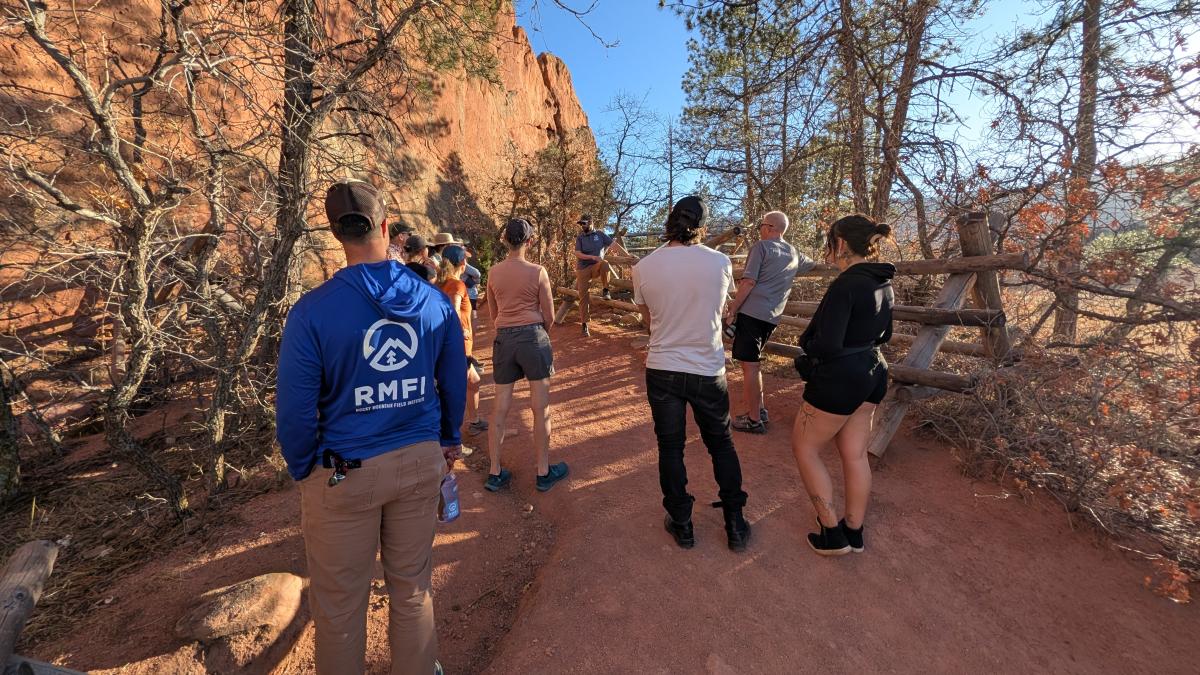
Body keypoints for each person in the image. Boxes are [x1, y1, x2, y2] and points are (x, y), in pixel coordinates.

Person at [276, 180, 466, 675]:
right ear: (386, 227)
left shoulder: (312, 312)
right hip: (420, 459)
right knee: (413, 589)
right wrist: (448, 442)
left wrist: (306, 469)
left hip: (344, 470)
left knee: (339, 611)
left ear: (336, 232)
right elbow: (452, 386)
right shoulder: (434, 303)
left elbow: (295, 412)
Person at [632, 196, 751, 552]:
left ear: (669, 222)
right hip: (707, 366)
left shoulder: (644, 266)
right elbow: (722, 310)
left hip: (664, 366)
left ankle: (682, 522)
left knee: (671, 446)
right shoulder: (720, 262)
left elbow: (649, 321)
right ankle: (734, 521)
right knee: (721, 444)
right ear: (702, 225)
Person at [790, 213, 894, 556]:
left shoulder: (846, 284)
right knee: (854, 455)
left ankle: (831, 532)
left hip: (841, 376)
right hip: (873, 371)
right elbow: (886, 334)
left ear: (840, 243)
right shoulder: (882, 281)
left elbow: (829, 343)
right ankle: (855, 531)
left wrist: (807, 352)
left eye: (829, 244)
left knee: (805, 448)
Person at [485, 218, 569, 492]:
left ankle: (495, 472)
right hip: (533, 335)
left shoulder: (494, 273)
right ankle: (543, 471)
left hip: (505, 338)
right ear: (530, 241)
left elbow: (494, 315)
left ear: (505, 240)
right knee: (540, 407)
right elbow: (550, 315)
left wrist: (509, 329)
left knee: (500, 408)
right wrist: (537, 334)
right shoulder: (538, 271)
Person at [724, 211, 813, 434]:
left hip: (752, 313)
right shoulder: (793, 252)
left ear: (769, 227)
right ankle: (759, 409)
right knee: (753, 364)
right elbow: (810, 264)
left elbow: (748, 282)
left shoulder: (761, 248)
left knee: (750, 366)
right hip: (771, 316)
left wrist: (732, 310)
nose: (760, 230)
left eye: (761, 226)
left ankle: (753, 419)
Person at [437, 245, 487, 438]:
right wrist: (460, 331)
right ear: (462, 263)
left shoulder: (440, 283)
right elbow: (454, 309)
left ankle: (474, 421)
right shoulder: (457, 285)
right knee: (455, 388)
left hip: (449, 344)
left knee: (473, 381)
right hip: (458, 345)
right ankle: (450, 434)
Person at [573, 214, 614, 336]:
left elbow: (613, 245)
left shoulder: (600, 234)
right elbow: (577, 253)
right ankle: (584, 324)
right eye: (580, 224)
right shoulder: (580, 237)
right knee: (583, 297)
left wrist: (627, 256)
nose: (582, 226)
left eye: (584, 223)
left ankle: (606, 290)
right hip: (583, 269)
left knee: (605, 264)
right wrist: (591, 257)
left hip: (596, 267)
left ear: (591, 222)